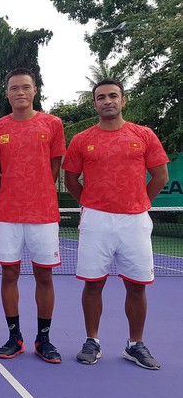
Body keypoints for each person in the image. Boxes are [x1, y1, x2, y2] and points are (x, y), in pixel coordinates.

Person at [63, 79, 168, 370]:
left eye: (112, 96)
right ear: (94, 103)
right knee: (93, 283)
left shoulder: (144, 135)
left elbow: (160, 176)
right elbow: (71, 179)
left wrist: (137, 203)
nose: (107, 101)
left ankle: (135, 345)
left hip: (135, 221)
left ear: (123, 100)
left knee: (136, 286)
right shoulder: (82, 139)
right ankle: (92, 341)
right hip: (96, 220)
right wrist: (91, 202)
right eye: (100, 97)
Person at [0, 68, 66, 363]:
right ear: (7, 93)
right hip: (8, 214)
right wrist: (12, 193)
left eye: (25, 87)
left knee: (44, 275)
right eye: (14, 88)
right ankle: (14, 336)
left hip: (44, 214)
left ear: (35, 91)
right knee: (10, 274)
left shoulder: (53, 124)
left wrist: (38, 191)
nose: (20, 92)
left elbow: (54, 165)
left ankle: (43, 339)